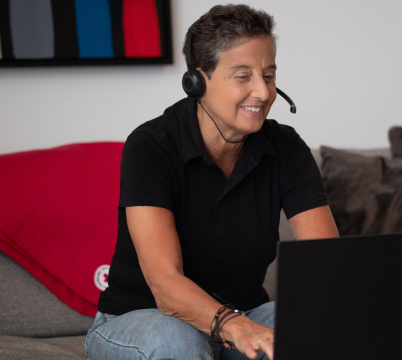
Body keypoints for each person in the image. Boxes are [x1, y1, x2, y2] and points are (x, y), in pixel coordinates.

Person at [84, 4, 339, 360]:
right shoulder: (151, 146)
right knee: (178, 342)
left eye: (268, 75)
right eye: (243, 76)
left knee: (319, 326)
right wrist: (235, 326)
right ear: (197, 82)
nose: (263, 93)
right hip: (144, 317)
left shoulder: (287, 148)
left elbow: (327, 261)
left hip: (243, 314)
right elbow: (165, 284)